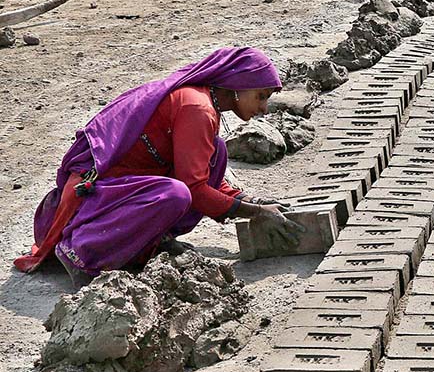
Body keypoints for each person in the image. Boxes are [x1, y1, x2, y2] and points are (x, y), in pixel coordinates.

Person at [14, 47, 304, 287]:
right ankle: (84, 250)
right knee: (175, 194)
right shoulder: (197, 108)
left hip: (127, 188)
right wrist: (254, 214)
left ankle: (149, 244)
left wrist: (250, 202)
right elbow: (194, 188)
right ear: (238, 86)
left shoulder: (203, 102)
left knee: (216, 150)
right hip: (96, 198)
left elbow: (200, 172)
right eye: (261, 96)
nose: (264, 107)